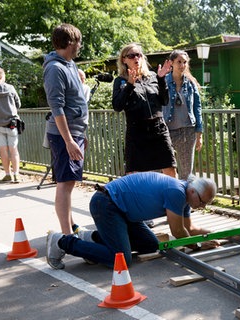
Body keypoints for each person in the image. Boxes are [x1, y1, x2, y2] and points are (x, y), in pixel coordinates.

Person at [46, 173, 219, 269]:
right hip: (107, 204)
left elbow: (190, 227)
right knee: (120, 260)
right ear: (194, 192)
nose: (203, 207)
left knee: (151, 244)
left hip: (124, 212)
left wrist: (209, 235)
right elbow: (178, 232)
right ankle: (62, 241)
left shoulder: (185, 195)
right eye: (203, 202)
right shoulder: (177, 193)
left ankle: (90, 238)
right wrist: (198, 246)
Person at [43, 23, 89, 236]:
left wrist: (81, 135)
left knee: (69, 181)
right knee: (65, 183)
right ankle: (67, 235)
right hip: (64, 134)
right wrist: (69, 140)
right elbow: (57, 108)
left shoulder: (69, 64)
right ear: (71, 42)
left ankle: (70, 225)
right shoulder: (55, 69)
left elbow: (76, 101)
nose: (80, 46)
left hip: (75, 131)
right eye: (79, 42)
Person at [112, 43, 176, 177]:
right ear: (124, 60)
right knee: (136, 174)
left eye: (139, 55)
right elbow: (117, 106)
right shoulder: (120, 81)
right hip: (137, 131)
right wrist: (130, 84)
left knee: (170, 168)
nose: (136, 58)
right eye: (131, 55)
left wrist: (161, 79)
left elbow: (164, 101)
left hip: (158, 129)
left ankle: (174, 197)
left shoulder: (153, 76)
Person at [163, 50, 204, 180]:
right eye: (179, 62)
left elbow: (197, 107)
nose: (182, 65)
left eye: (185, 62)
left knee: (186, 173)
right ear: (171, 63)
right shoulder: (163, 82)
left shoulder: (191, 84)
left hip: (187, 131)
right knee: (165, 169)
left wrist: (199, 133)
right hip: (167, 131)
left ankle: (185, 200)